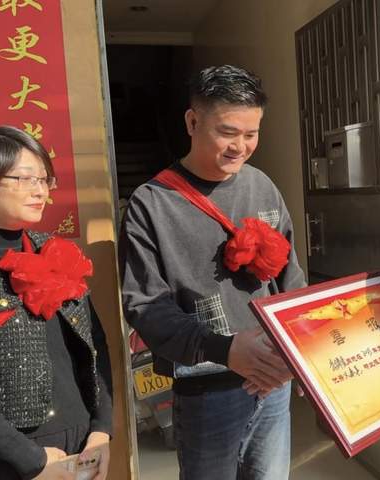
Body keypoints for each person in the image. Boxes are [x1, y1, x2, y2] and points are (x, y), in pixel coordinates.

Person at [119, 65, 305, 480]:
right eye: (228, 132)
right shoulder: (152, 204)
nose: (241, 147)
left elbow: (291, 279)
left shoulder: (262, 186)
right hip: (206, 386)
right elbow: (145, 306)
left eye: (251, 134)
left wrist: (294, 354)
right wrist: (223, 349)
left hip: (274, 380)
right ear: (192, 122)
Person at [0, 126, 113, 480]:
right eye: (25, 178)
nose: (40, 191)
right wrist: (30, 459)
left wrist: (102, 429)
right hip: (2, 457)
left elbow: (94, 346)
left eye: (44, 179)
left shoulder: (55, 251)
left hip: (80, 445)